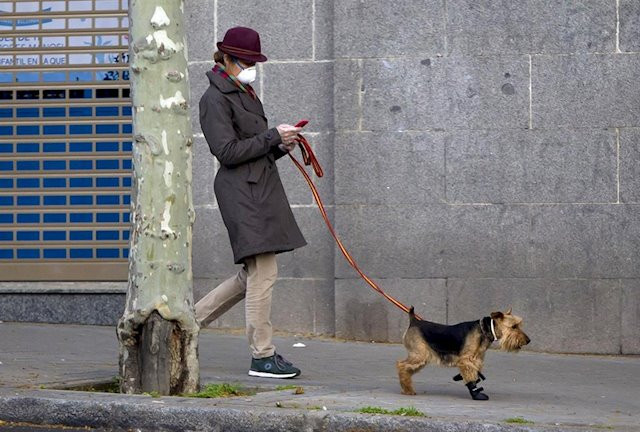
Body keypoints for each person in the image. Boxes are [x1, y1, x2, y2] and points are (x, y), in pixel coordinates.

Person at [196, 26, 307, 379]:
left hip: (257, 188)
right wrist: (271, 136)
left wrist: (279, 146)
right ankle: (262, 356)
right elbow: (226, 152)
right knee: (264, 272)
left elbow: (252, 147)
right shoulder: (214, 98)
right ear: (225, 59)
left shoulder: (244, 90)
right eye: (244, 61)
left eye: (253, 61)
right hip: (241, 193)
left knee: (251, 276)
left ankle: (184, 324)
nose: (250, 66)